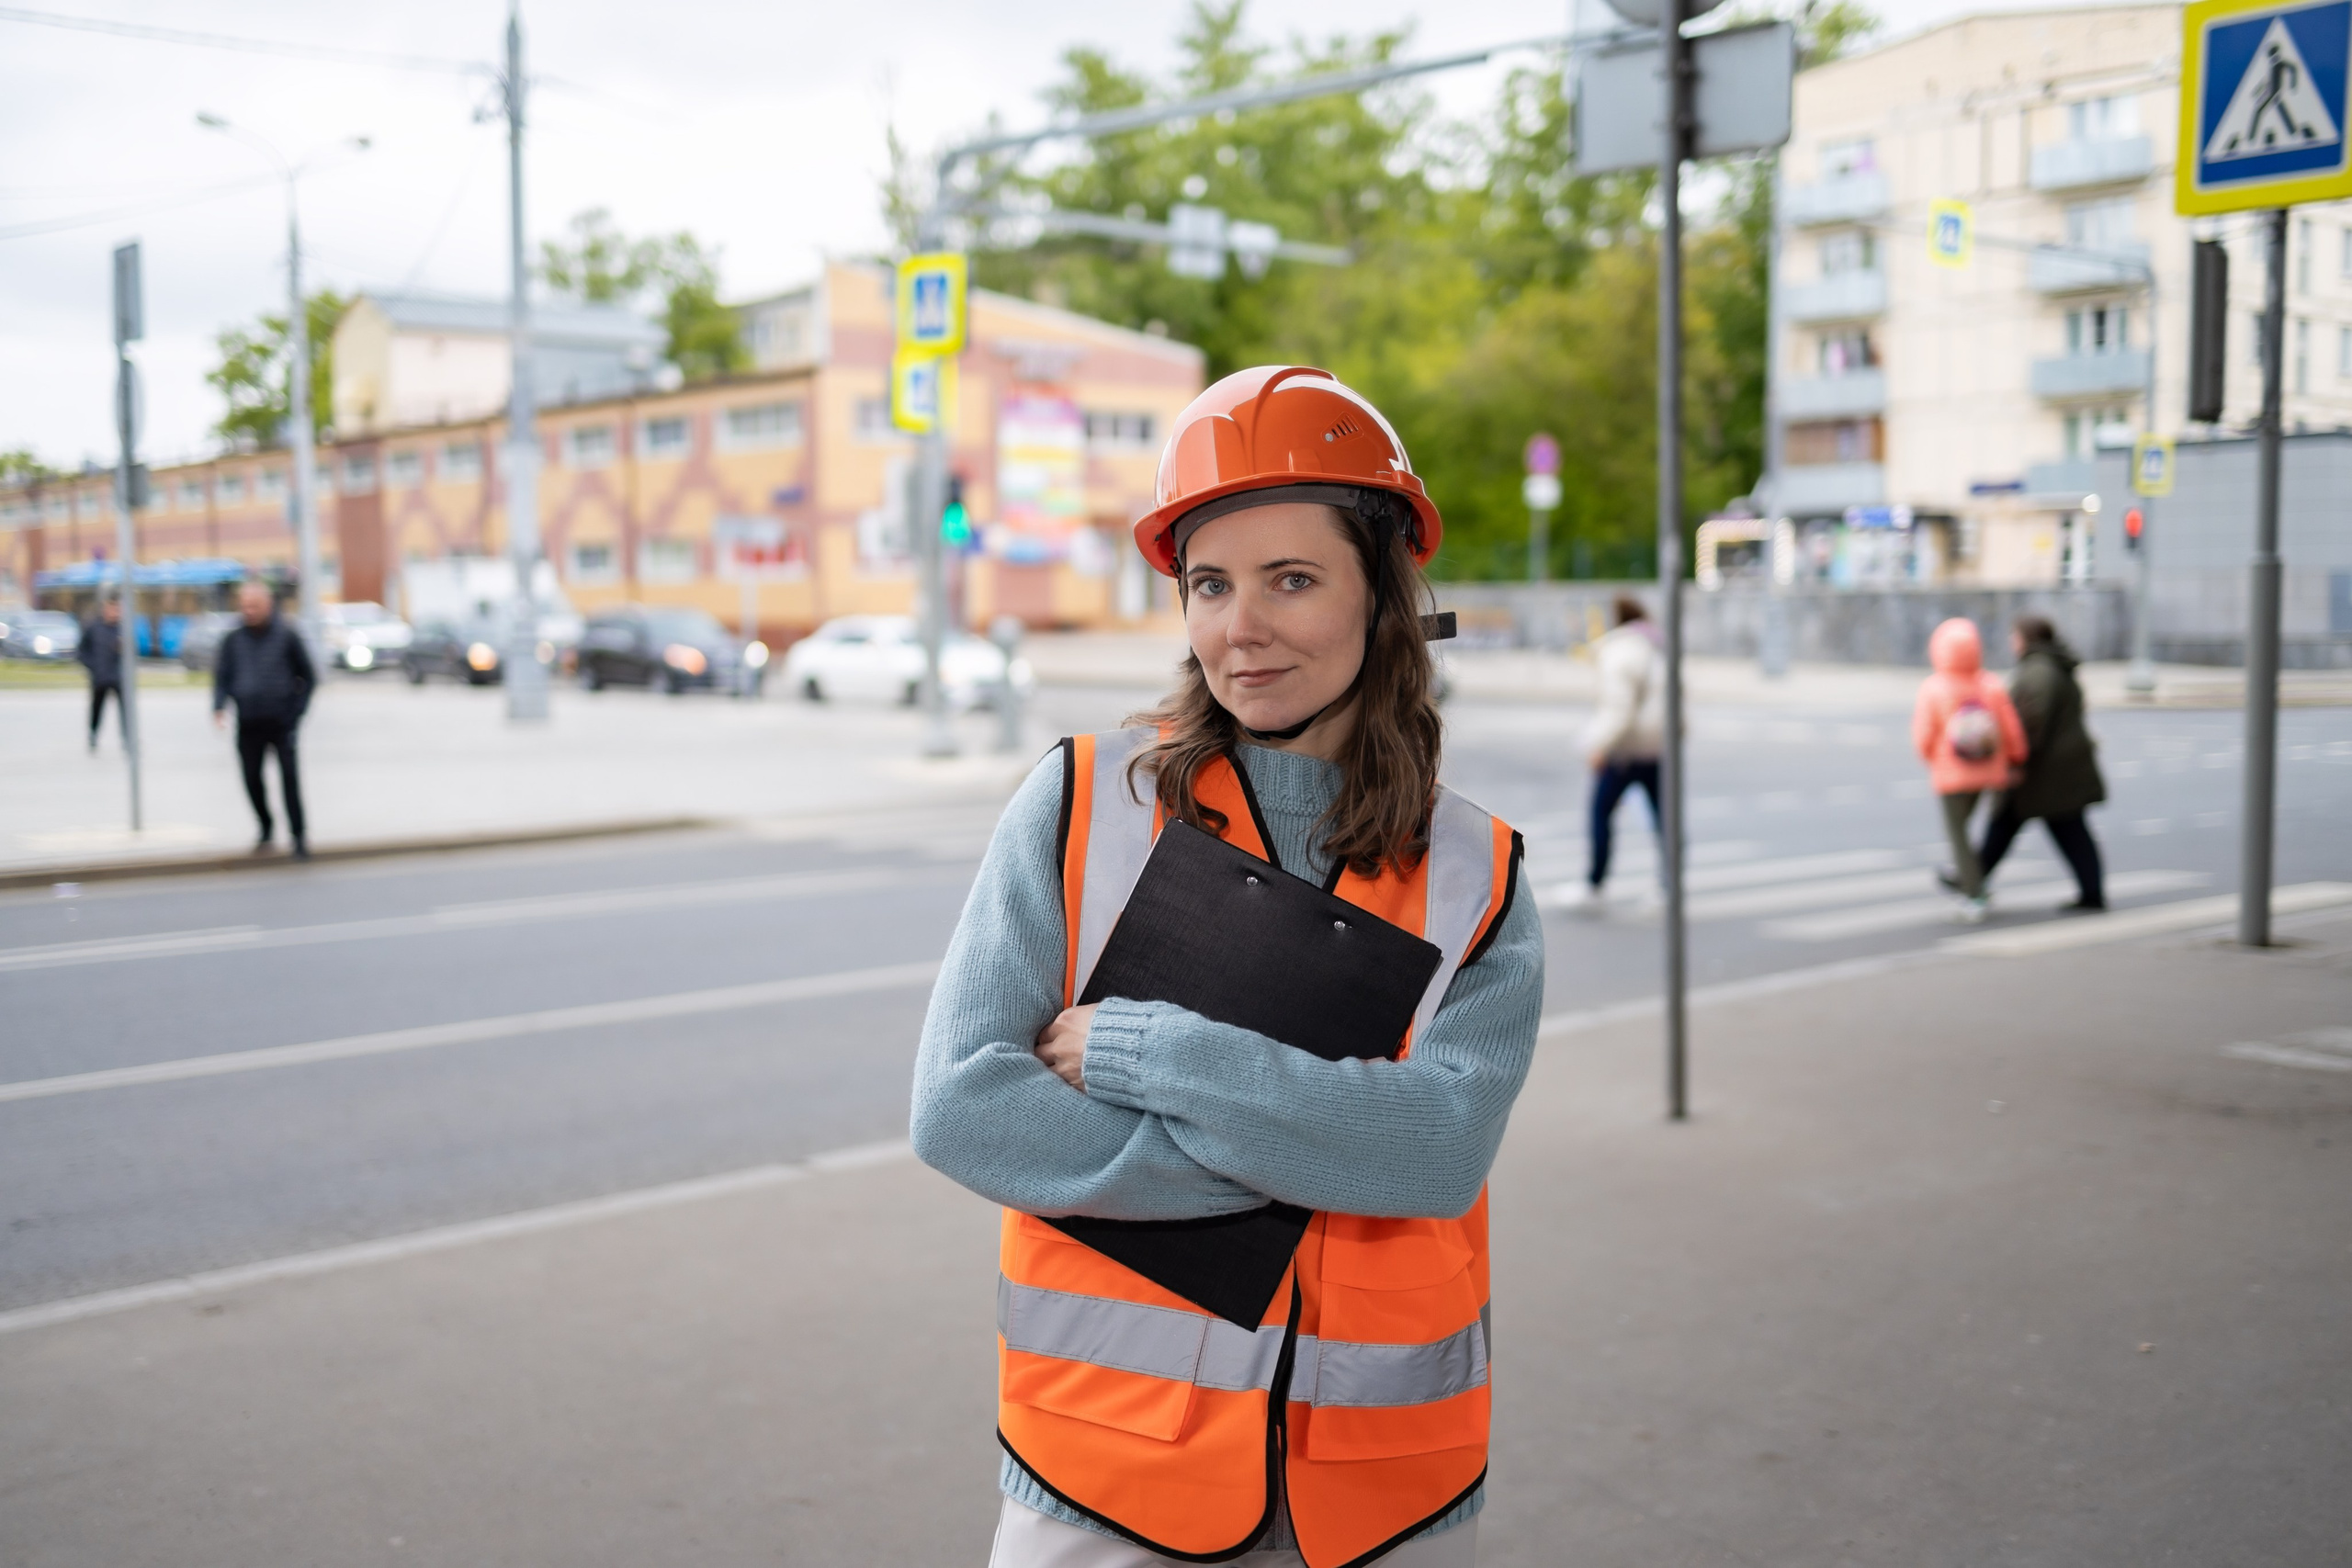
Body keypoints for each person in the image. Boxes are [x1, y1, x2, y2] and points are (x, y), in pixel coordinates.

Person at [911, 366, 1544, 1568]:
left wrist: (1152, 1054)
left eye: (1290, 579)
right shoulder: (1084, 803)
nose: (1238, 626)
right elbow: (962, 1107)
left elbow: (1437, 1150)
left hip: (1383, 1498)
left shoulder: (1477, 872)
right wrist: (1318, 1155)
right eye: (1210, 583)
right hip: (1102, 1482)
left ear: (1384, 600)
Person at [1976, 615, 2107, 910]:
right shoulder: (2052, 665)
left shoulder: (2039, 671)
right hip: (2057, 768)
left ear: (2026, 638)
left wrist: (2015, 760)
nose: (2011, 641)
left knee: (2021, 820)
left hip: (2047, 770)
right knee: (2059, 828)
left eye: (2014, 636)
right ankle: (1974, 875)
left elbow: (2031, 722)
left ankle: (1973, 876)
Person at [1913, 616, 2027, 922]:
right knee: (1967, 829)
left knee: (1958, 834)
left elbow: (1924, 733)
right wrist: (2016, 758)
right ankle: (1973, 883)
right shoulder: (1990, 684)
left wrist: (1930, 758)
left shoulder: (1934, 687)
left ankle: (1974, 893)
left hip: (1951, 772)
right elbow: (2010, 727)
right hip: (1987, 770)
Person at [212, 581, 315, 859]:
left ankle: (298, 837)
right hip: (248, 724)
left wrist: (297, 713)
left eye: (254, 606)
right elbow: (222, 677)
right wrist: (219, 707)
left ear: (268, 605)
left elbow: (308, 677)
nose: (249, 611)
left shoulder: (287, 635)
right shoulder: (233, 640)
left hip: (282, 723)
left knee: (289, 780)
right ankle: (266, 826)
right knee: (251, 779)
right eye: (244, 606)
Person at [1577, 593, 1665, 904]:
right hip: (1659, 746)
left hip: (1626, 750)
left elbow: (1618, 709)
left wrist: (1599, 745)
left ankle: (1596, 884)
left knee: (1601, 814)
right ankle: (1668, 886)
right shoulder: (1657, 645)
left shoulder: (1620, 651)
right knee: (1665, 820)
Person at [76, 594, 127, 751]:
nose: (115, 612)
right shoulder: (94, 627)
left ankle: (127, 738)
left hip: (119, 677)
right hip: (100, 676)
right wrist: (93, 666)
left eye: (117, 609)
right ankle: (93, 735)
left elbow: (132, 653)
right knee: (97, 708)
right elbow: (81, 651)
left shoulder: (123, 629)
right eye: (112, 608)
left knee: (125, 710)